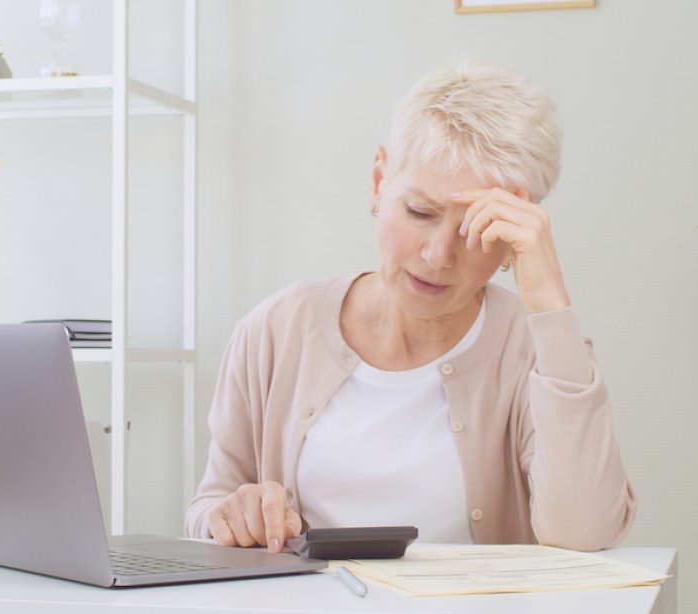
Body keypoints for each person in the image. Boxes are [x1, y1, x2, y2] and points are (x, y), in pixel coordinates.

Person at [186, 63, 636, 554]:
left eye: (477, 230)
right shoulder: (277, 327)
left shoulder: (533, 347)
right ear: (379, 181)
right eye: (420, 213)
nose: (439, 256)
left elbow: (585, 535)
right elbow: (211, 505)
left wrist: (551, 305)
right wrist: (229, 515)